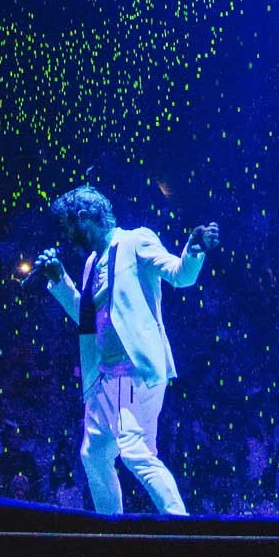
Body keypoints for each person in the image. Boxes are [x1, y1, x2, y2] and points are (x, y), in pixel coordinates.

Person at [36, 184, 218, 517]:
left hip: (137, 370)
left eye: (69, 226)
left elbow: (180, 276)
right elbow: (88, 318)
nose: (68, 234)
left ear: (85, 218)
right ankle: (111, 527)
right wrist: (60, 280)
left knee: (135, 451)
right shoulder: (92, 262)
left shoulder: (136, 240)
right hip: (105, 376)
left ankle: (181, 524)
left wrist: (193, 251)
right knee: (94, 452)